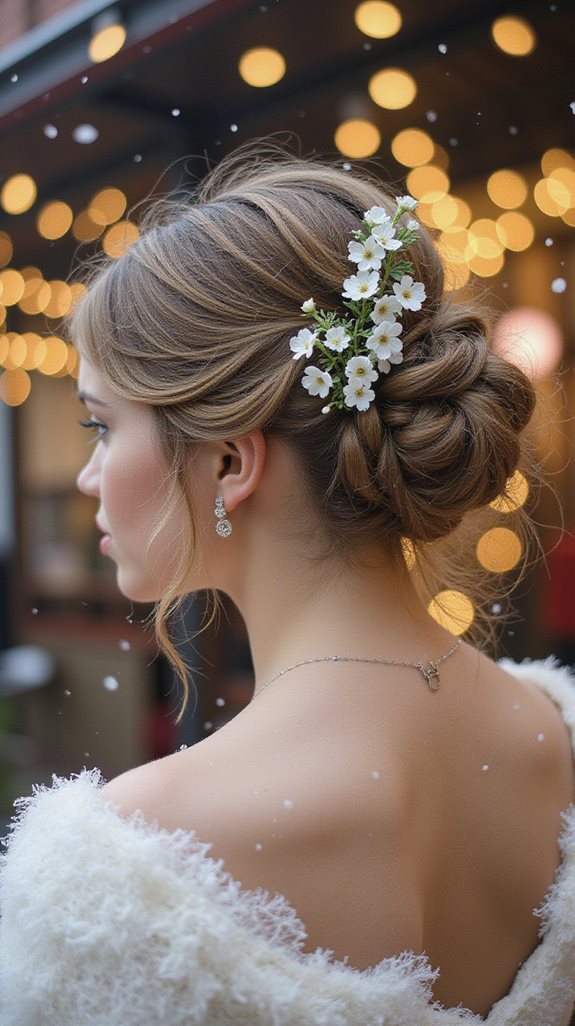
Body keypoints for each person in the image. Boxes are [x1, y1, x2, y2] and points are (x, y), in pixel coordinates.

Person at [1, 148, 574, 1026]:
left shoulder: (130, 860)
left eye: (102, 425)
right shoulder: (548, 736)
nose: (88, 477)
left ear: (230, 460)